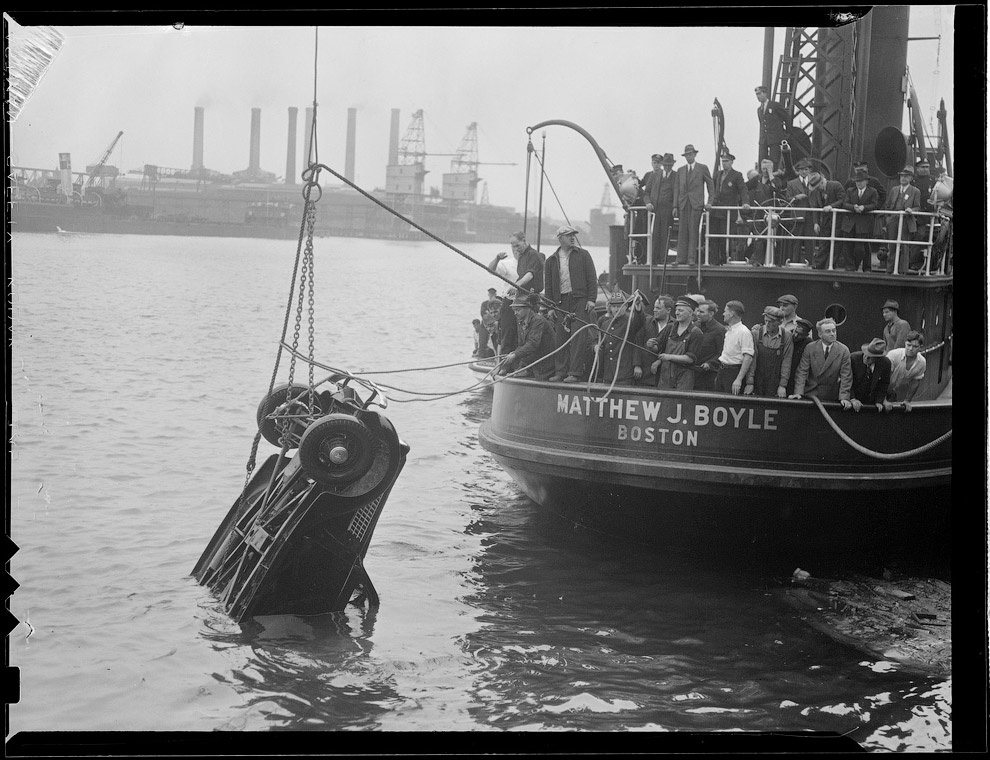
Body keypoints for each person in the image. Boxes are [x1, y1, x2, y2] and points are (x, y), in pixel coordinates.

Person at [544, 225, 598, 383]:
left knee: (577, 337)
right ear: (560, 239)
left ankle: (574, 372)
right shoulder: (551, 261)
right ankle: (560, 372)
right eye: (569, 235)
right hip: (560, 302)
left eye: (573, 235)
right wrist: (550, 306)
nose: (573, 238)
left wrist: (591, 299)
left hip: (580, 301)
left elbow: (591, 278)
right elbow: (548, 287)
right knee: (560, 337)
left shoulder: (583, 255)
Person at [789, 317, 853, 407]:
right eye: (828, 331)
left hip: (831, 397)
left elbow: (846, 377)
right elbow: (802, 372)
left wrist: (844, 398)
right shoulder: (810, 348)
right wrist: (798, 393)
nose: (832, 334)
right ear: (820, 334)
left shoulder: (843, 350)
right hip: (811, 395)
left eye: (834, 331)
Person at [649, 295, 704, 390]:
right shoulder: (670, 327)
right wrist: (651, 345)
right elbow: (657, 348)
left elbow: (690, 359)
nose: (677, 313)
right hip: (665, 376)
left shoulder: (696, 333)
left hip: (684, 377)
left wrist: (669, 356)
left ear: (691, 313)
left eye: (681, 311)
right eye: (677, 310)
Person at [672, 144, 715, 265]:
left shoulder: (702, 168)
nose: (688, 157)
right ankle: (680, 258)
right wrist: (675, 206)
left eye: (690, 154)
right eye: (686, 155)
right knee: (682, 232)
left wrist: (710, 202)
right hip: (683, 205)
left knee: (693, 231)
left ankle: (691, 259)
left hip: (696, 205)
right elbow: (676, 189)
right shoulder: (680, 171)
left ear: (695, 155)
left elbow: (710, 186)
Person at [499, 293, 556, 380]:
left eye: (517, 310)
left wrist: (515, 355)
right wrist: (514, 355)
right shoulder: (521, 321)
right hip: (535, 361)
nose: (515, 313)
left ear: (528, 309)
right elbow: (522, 344)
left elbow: (532, 344)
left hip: (547, 362)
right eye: (514, 310)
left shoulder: (538, 321)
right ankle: (525, 370)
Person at [595, 291, 646, 385]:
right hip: (608, 374)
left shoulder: (630, 322)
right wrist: (596, 346)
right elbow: (600, 342)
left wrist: (638, 310)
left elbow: (639, 322)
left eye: (619, 306)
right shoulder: (605, 324)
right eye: (613, 306)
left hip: (624, 374)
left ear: (625, 307)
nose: (616, 309)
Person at [744, 306, 794, 398]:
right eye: (766, 320)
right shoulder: (756, 333)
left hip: (775, 380)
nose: (767, 324)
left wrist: (782, 385)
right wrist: (749, 382)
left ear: (780, 322)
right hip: (757, 378)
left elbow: (786, 361)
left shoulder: (786, 336)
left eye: (771, 322)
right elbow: (752, 359)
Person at [709, 153, 750, 264]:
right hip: (716, 209)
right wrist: (709, 203)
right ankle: (713, 260)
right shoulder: (718, 175)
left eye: (726, 161)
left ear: (732, 162)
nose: (724, 163)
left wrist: (745, 203)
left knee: (724, 237)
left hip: (727, 211)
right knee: (713, 235)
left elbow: (743, 190)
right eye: (723, 161)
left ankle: (724, 259)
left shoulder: (737, 175)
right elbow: (712, 190)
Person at [838, 166, 880, 272]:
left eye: (860, 181)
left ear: (866, 181)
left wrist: (864, 208)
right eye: (857, 181)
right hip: (850, 223)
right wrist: (854, 207)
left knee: (862, 247)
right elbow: (845, 203)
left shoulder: (873, 191)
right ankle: (850, 266)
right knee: (847, 245)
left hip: (864, 223)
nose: (858, 183)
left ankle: (865, 267)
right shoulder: (850, 191)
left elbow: (875, 205)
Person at [882, 167, 922, 274]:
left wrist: (911, 210)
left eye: (905, 176)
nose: (903, 178)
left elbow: (918, 207)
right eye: (901, 176)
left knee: (905, 246)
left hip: (906, 220)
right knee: (892, 246)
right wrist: (888, 219)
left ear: (911, 178)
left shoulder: (915, 191)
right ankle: (889, 270)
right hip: (893, 220)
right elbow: (888, 205)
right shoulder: (894, 189)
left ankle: (903, 271)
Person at [641, 153, 676, 263]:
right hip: (656, 209)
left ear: (672, 166)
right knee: (654, 234)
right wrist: (648, 203)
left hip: (668, 210)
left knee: (665, 235)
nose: (667, 167)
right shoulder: (654, 175)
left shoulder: (676, 175)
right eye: (665, 165)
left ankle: (663, 259)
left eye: (669, 165)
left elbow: (678, 192)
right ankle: (653, 259)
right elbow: (646, 192)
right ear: (663, 165)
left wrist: (675, 207)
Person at [714, 300, 754, 395]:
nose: (723, 314)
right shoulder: (729, 331)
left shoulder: (744, 332)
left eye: (725, 311)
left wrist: (738, 379)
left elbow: (748, 358)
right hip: (722, 371)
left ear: (731, 314)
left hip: (733, 372)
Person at [808, 171, 846, 269]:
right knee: (823, 243)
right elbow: (815, 207)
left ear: (821, 182)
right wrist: (816, 223)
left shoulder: (836, 185)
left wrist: (831, 206)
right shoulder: (816, 192)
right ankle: (819, 265)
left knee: (836, 244)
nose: (817, 189)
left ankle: (831, 265)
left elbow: (842, 200)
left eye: (817, 187)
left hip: (838, 220)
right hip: (824, 221)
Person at [633, 295, 673, 385]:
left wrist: (659, 361)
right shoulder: (646, 322)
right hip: (645, 372)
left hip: (665, 373)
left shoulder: (675, 325)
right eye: (654, 307)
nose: (654, 310)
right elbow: (638, 343)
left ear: (668, 310)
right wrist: (637, 365)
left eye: (658, 308)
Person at [785, 158, 816, 265]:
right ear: (798, 171)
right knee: (796, 240)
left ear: (809, 171)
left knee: (809, 240)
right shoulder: (792, 184)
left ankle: (810, 262)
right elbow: (787, 199)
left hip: (810, 215)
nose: (804, 171)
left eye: (806, 169)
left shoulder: (814, 182)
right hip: (797, 215)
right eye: (801, 169)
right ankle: (794, 261)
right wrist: (796, 197)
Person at [849, 338, 893, 412]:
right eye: (865, 354)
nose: (866, 358)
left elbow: (884, 384)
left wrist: (879, 400)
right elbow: (846, 380)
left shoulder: (885, 363)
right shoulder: (853, 359)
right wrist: (852, 398)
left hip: (870, 401)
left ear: (878, 358)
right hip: (853, 400)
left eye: (870, 357)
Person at [886, 331, 926, 410]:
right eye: (908, 345)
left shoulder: (922, 362)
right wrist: (883, 399)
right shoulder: (893, 355)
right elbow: (883, 377)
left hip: (894, 392)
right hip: (878, 390)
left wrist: (907, 400)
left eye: (915, 346)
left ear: (920, 347)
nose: (911, 349)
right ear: (905, 344)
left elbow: (916, 382)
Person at [692, 299, 726, 391]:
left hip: (707, 377)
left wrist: (709, 363)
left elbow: (722, 353)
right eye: (698, 311)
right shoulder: (694, 326)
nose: (698, 314)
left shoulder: (719, 330)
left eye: (702, 312)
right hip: (691, 373)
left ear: (711, 314)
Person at [755, 85, 789, 168]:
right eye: (756, 94)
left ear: (765, 94)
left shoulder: (774, 106)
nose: (758, 96)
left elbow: (786, 118)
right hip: (764, 140)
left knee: (774, 160)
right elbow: (762, 124)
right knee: (762, 160)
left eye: (759, 94)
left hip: (775, 138)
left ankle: (774, 176)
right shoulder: (759, 110)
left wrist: (787, 133)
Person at [784, 317, 814, 397]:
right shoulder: (787, 336)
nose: (796, 336)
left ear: (806, 335)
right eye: (795, 331)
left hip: (796, 377)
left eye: (800, 335)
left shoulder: (809, 344)